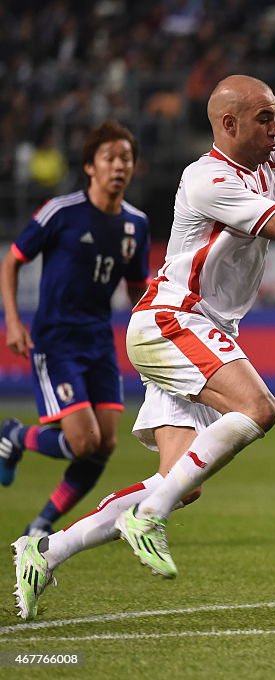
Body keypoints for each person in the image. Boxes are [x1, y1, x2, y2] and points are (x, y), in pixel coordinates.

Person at [11, 74, 275, 622]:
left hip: (203, 330)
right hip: (174, 320)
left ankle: (45, 551)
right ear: (229, 123)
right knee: (260, 409)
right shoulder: (205, 178)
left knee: (183, 484)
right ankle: (147, 515)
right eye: (265, 118)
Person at [0, 121, 150, 538]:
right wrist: (13, 320)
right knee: (84, 442)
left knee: (105, 445)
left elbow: (138, 289)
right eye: (110, 158)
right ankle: (16, 435)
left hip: (99, 342)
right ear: (90, 166)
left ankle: (41, 524)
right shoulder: (61, 212)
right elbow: (11, 260)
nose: (119, 166)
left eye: (127, 158)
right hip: (56, 341)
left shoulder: (136, 224)